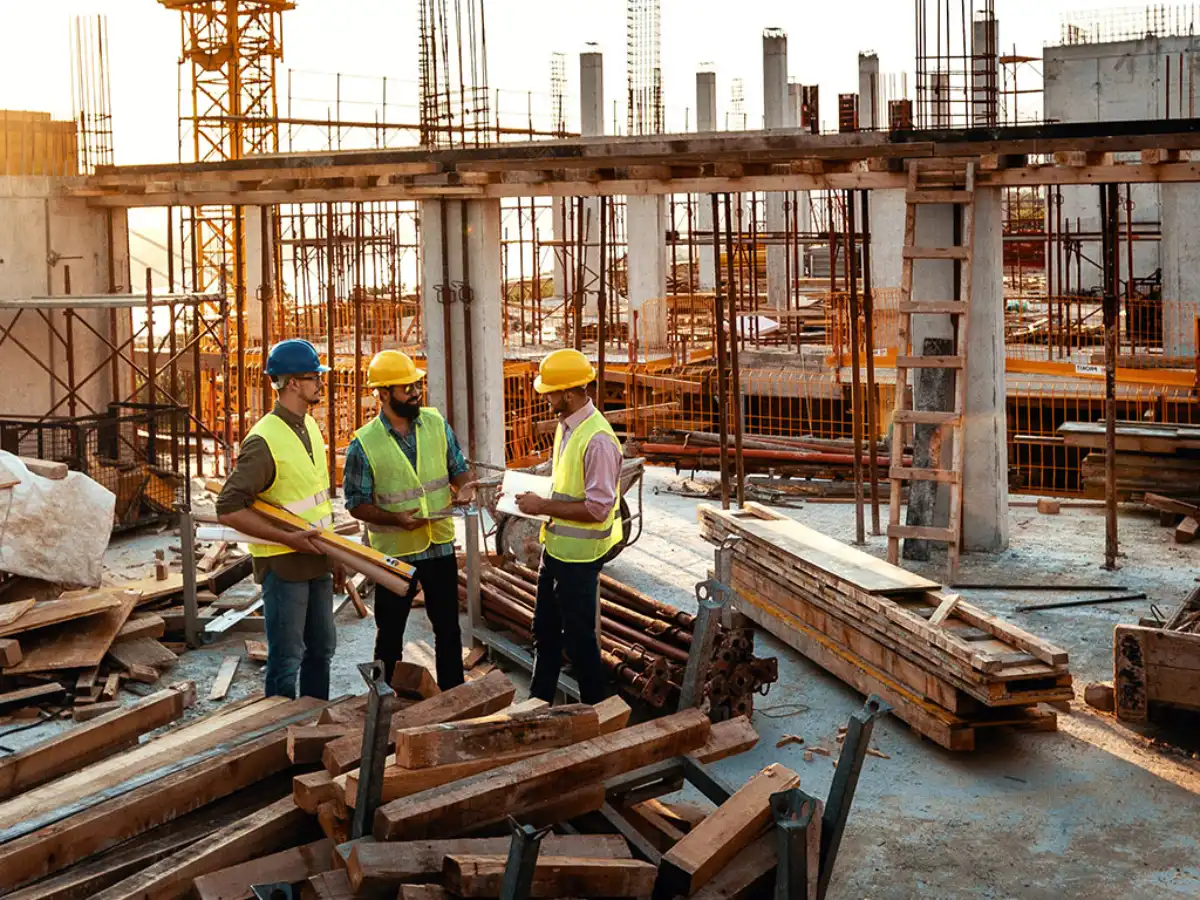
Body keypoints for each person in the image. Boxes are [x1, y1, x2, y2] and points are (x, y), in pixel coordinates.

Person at [217, 338, 342, 700]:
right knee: (287, 658)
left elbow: (316, 502)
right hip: (284, 565)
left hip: (317, 558)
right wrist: (288, 539)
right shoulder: (264, 440)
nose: (320, 383)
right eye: (313, 376)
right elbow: (228, 507)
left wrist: (333, 555)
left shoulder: (309, 427)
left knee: (322, 651)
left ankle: (314, 727)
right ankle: (277, 739)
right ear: (291, 383)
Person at [343, 349, 476, 689]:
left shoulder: (435, 424)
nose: (416, 393)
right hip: (394, 552)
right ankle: (382, 700)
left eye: (417, 386)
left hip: (438, 545)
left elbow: (458, 469)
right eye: (407, 388)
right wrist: (394, 518)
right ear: (384, 394)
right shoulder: (364, 443)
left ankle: (455, 697)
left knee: (448, 629)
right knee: (389, 633)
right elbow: (356, 504)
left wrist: (464, 489)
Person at [516, 348, 623, 704]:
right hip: (557, 549)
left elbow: (596, 508)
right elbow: (567, 486)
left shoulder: (598, 440)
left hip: (581, 556)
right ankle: (538, 702)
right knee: (544, 631)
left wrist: (542, 506)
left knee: (578, 640)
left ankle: (599, 711)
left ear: (570, 392)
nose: (545, 396)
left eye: (550, 390)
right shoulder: (567, 427)